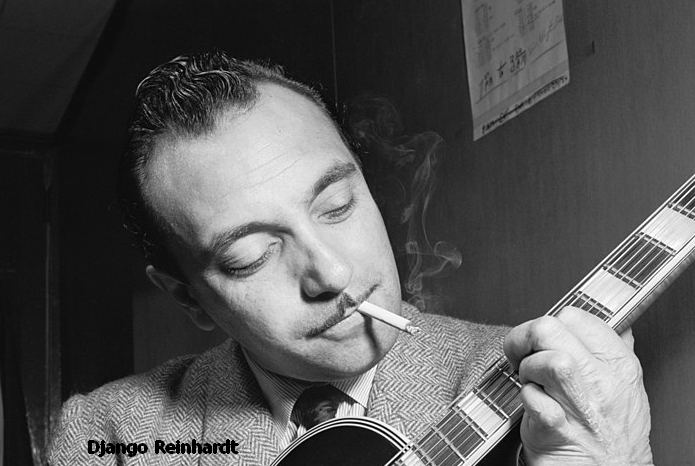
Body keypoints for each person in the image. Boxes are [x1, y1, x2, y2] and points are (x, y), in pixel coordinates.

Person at [47, 50, 653, 466]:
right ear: (188, 298)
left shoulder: (540, 393)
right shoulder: (113, 436)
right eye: (251, 256)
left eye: (336, 206)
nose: (332, 275)